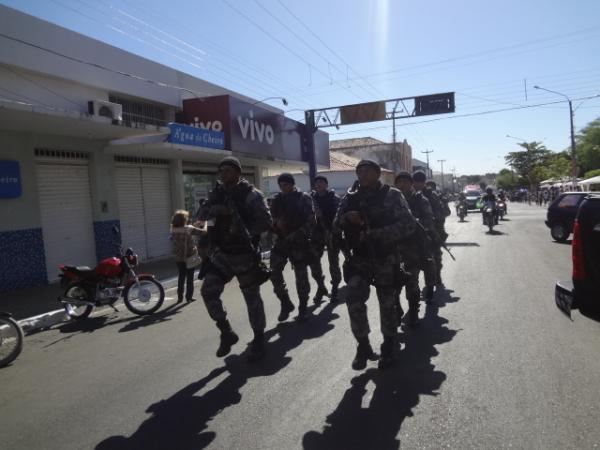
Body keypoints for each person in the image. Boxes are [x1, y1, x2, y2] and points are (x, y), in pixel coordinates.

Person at [336, 160, 416, 370]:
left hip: (385, 258)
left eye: (367, 171)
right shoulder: (351, 197)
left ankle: (389, 344)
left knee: (387, 304)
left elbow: (408, 225)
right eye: (359, 171)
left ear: (378, 174)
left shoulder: (392, 195)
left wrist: (378, 234)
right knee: (353, 298)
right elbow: (335, 224)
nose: (362, 174)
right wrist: (347, 217)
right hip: (359, 259)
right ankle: (363, 345)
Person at [197, 156, 272, 362]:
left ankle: (258, 339)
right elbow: (203, 220)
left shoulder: (251, 195)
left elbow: (265, 222)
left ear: (238, 173)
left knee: (252, 298)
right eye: (221, 170)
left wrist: (235, 220)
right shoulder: (216, 194)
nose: (224, 174)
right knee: (208, 290)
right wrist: (212, 213)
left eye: (228, 170)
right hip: (222, 254)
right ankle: (226, 331)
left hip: (244, 254)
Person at [269, 173, 316, 322]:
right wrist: (276, 224)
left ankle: (303, 306)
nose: (283, 188)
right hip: (282, 242)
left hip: (299, 242)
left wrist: (297, 234)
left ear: (292, 184)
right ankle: (285, 302)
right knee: (273, 272)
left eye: (286, 185)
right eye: (281, 185)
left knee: (301, 277)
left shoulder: (303, 198)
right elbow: (271, 218)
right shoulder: (277, 200)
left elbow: (311, 221)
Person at [394, 171, 440, 325]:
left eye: (405, 182)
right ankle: (397, 308)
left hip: (414, 246)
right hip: (394, 248)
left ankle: (413, 309)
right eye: (399, 182)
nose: (402, 185)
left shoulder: (420, 199)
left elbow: (429, 220)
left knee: (411, 280)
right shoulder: (389, 200)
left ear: (411, 183)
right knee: (392, 282)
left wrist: (415, 223)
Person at [309, 175, 342, 303]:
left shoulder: (335, 199)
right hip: (316, 234)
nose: (319, 185)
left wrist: (324, 217)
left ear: (326, 185)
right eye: (316, 183)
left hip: (331, 233)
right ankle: (321, 286)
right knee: (313, 261)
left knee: (333, 262)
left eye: (321, 183)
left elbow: (340, 217)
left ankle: (334, 288)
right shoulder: (310, 199)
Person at [413, 173, 446, 289]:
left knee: (436, 256)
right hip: (415, 232)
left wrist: (433, 223)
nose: (417, 184)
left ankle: (437, 276)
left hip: (432, 231)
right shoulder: (410, 194)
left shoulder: (432, 195)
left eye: (420, 182)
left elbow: (440, 213)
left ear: (424, 182)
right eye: (416, 181)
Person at [170, 210, 204, 303]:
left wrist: (194, 225)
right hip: (189, 256)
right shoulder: (188, 228)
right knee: (190, 277)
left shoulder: (173, 229)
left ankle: (179, 298)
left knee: (181, 276)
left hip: (178, 256)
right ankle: (189, 297)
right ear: (184, 219)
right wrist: (204, 224)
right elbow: (203, 232)